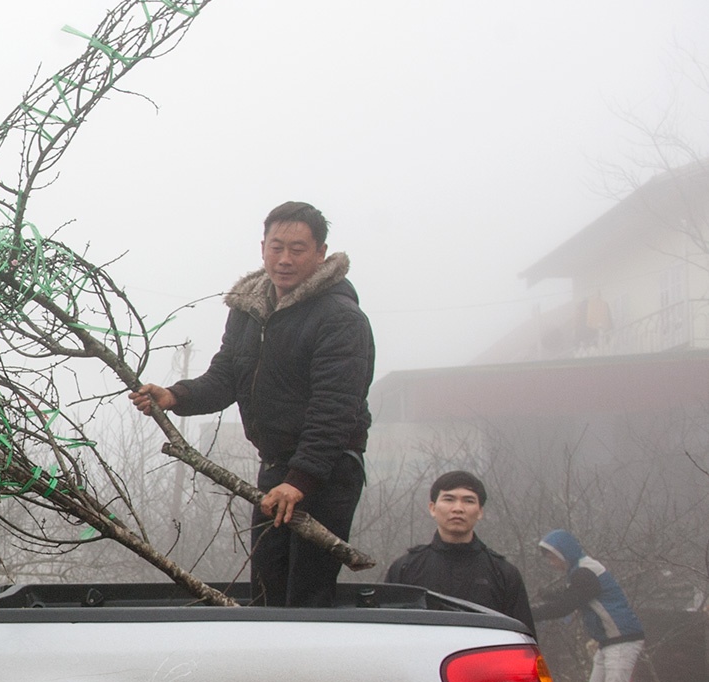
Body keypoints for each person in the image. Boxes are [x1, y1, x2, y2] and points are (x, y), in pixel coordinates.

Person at [131, 201, 374, 606]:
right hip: (276, 469)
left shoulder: (339, 317)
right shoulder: (250, 311)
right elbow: (227, 375)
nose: (284, 259)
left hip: (325, 472)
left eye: (297, 249)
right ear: (262, 247)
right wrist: (175, 396)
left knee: (307, 596)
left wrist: (299, 482)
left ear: (320, 253)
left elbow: (336, 410)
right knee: (267, 591)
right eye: (276, 247)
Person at [535, 529, 655, 682]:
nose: (551, 562)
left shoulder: (585, 572)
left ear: (564, 553)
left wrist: (533, 612)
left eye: (552, 557)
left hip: (623, 638)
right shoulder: (580, 571)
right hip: (609, 641)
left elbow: (568, 604)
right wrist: (548, 596)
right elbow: (570, 595)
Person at [383, 470, 534, 630]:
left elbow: (522, 640)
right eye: (449, 499)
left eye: (468, 501)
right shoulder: (405, 568)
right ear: (432, 508)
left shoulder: (503, 574)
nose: (458, 508)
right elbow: (386, 633)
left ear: (480, 512)